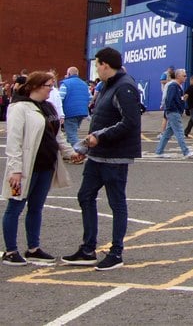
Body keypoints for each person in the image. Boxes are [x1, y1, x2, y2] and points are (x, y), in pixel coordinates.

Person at [62, 47, 142, 271]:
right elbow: (100, 120)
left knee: (116, 203)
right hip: (97, 156)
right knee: (85, 195)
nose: (96, 68)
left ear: (106, 65)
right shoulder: (107, 85)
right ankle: (88, 249)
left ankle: (116, 253)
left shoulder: (124, 86)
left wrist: (99, 136)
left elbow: (130, 123)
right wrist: (85, 148)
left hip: (115, 157)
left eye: (97, 64)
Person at [3, 72, 82, 267]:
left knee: (36, 208)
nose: (51, 89)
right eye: (48, 85)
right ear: (35, 86)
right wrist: (15, 169)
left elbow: (57, 135)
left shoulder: (49, 107)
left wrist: (70, 153)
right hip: (25, 169)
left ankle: (33, 248)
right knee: (15, 206)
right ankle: (10, 250)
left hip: (46, 166)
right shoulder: (19, 108)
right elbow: (14, 140)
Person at [153, 70, 193, 159]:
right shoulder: (174, 86)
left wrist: (182, 100)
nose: (185, 77)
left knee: (168, 133)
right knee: (180, 132)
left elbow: (176, 99)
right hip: (173, 112)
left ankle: (159, 151)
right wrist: (174, 109)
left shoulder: (177, 86)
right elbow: (169, 99)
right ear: (178, 76)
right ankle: (186, 151)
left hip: (173, 111)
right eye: (184, 76)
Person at [60, 66, 91, 146]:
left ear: (69, 74)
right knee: (72, 131)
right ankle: (69, 153)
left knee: (71, 134)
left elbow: (60, 98)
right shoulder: (85, 84)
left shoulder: (65, 83)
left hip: (69, 112)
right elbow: (90, 98)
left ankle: (79, 150)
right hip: (82, 112)